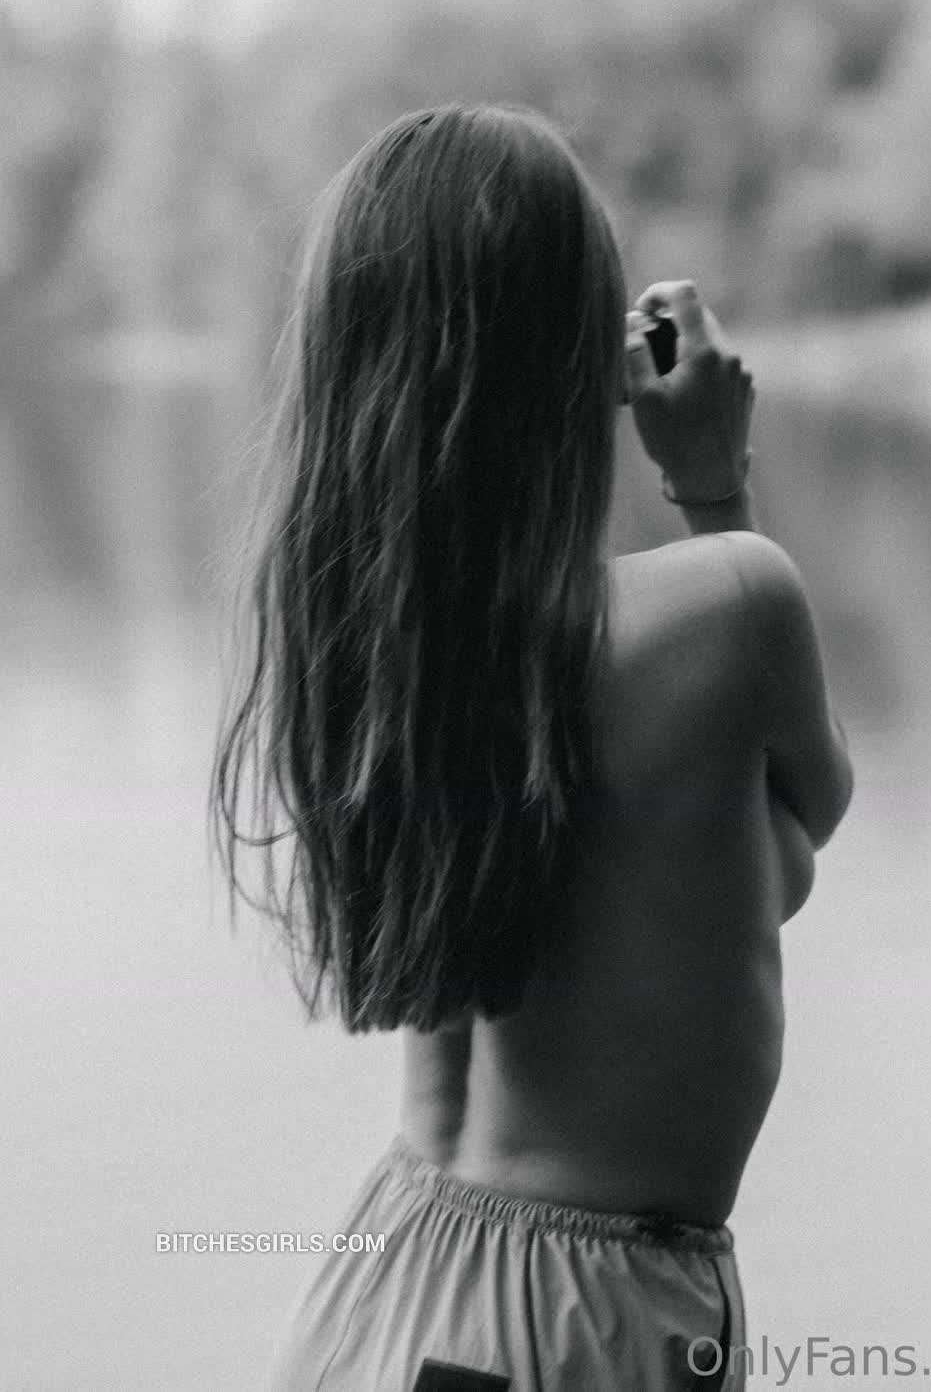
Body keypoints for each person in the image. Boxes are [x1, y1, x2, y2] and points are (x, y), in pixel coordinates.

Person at [212, 102, 852, 1391]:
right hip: (572, 1326)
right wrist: (713, 483)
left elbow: (751, 866)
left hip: (382, 1287)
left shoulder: (384, 661)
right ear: (583, 360)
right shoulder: (730, 602)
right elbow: (808, 818)